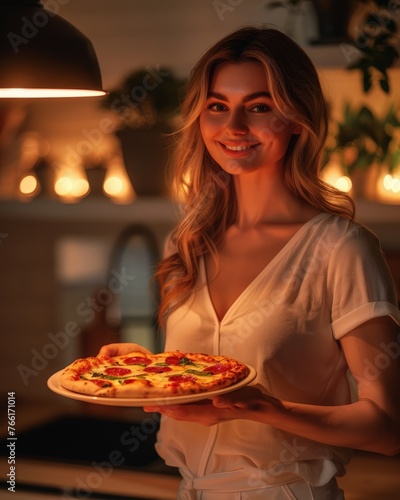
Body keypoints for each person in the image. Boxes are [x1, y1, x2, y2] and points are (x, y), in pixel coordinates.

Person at [99, 26, 400, 499]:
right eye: (217, 106)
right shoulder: (187, 241)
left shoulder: (342, 249)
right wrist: (148, 372)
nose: (233, 127)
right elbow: (202, 376)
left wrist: (266, 409)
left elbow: (387, 428)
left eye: (259, 107)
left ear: (298, 119)